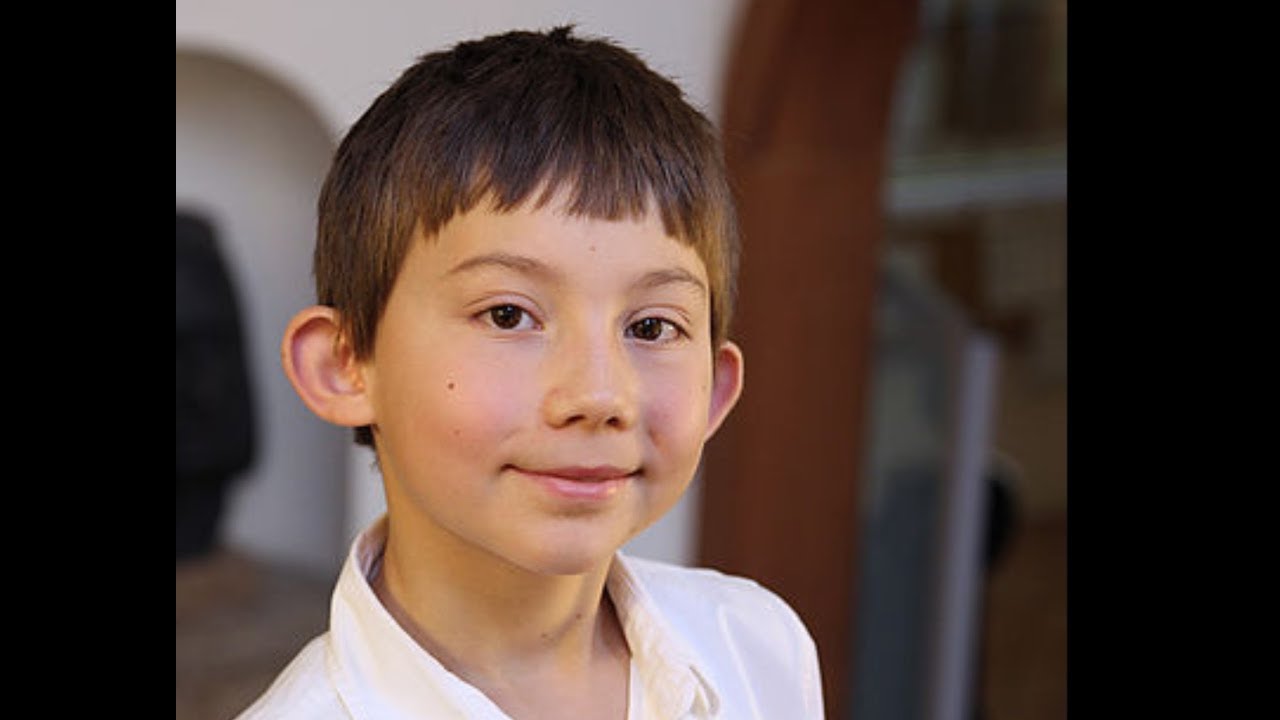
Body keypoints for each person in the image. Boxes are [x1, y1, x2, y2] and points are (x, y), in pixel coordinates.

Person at [236, 26, 823, 719]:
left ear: (714, 391)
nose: (599, 395)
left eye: (651, 327)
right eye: (508, 315)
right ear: (345, 365)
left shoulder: (755, 647)